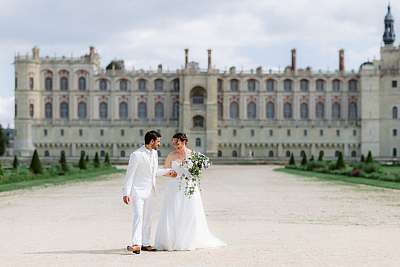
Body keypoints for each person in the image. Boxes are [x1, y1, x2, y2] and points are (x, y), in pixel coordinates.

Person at [154, 132, 226, 251]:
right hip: (174, 187)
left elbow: (203, 166)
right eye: (174, 143)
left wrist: (194, 173)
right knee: (173, 211)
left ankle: (188, 240)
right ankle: (171, 240)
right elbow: (166, 171)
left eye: (177, 143)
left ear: (184, 142)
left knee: (190, 213)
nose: (176, 146)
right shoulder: (171, 155)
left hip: (189, 186)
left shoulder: (193, 155)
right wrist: (170, 174)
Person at [122, 130, 177, 254]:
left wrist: (167, 171)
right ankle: (136, 244)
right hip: (138, 192)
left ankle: (145, 243)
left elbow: (154, 172)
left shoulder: (155, 154)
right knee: (138, 217)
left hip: (150, 191)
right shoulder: (136, 155)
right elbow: (129, 175)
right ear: (151, 141)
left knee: (148, 218)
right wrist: (126, 193)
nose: (159, 144)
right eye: (158, 141)